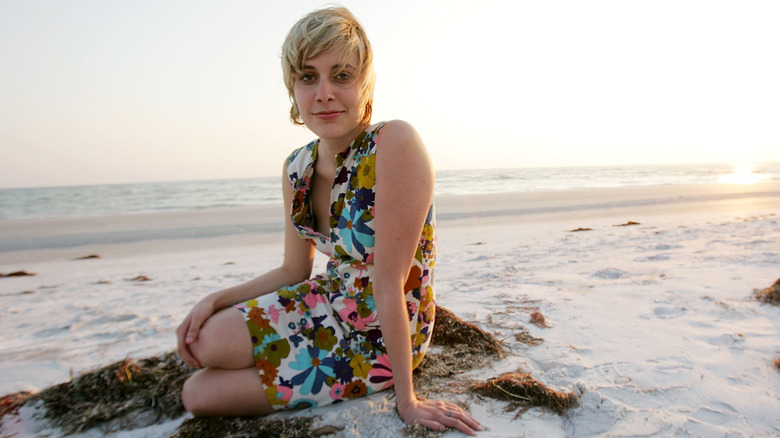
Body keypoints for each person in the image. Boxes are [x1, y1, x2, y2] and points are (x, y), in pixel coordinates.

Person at [176, 6, 482, 436]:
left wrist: (407, 401)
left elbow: (389, 282)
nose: (323, 92)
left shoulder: (393, 143)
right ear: (292, 88)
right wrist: (214, 299)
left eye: (341, 76)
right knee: (206, 340)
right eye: (307, 76)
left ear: (365, 84)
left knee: (199, 395)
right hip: (326, 301)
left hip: (381, 334)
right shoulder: (295, 167)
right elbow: (293, 270)